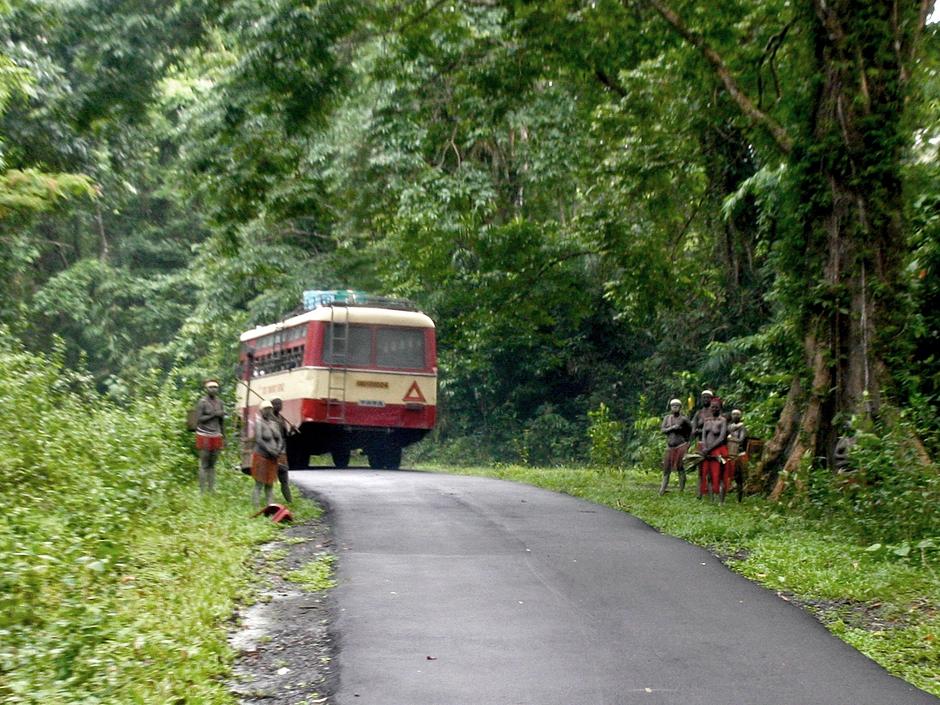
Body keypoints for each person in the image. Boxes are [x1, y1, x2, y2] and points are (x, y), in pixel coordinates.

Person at [251, 400, 283, 510]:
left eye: (269, 409)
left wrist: (278, 449)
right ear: (261, 411)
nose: (268, 411)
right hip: (262, 456)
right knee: (259, 483)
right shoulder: (259, 423)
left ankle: (270, 507)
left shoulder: (274, 424)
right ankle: (256, 507)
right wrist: (270, 450)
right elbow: (259, 440)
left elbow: (279, 439)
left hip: (273, 457)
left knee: (270, 484)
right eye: (265, 409)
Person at [195, 379, 225, 493]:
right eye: (211, 387)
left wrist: (224, 436)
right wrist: (214, 414)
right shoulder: (202, 402)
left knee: (212, 464)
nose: (213, 389)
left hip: (216, 435)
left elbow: (221, 421)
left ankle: (211, 489)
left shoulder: (220, 402)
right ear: (206, 389)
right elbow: (199, 419)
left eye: (215, 387)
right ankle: (202, 491)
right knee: (204, 464)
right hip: (204, 434)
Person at [660, 399, 691, 495]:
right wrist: (672, 428)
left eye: (677, 406)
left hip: (680, 445)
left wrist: (687, 442)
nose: (675, 407)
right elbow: (663, 430)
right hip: (670, 446)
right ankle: (662, 489)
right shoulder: (667, 418)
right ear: (670, 407)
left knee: (680, 467)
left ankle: (681, 490)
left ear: (680, 407)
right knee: (666, 468)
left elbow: (691, 430)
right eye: (673, 406)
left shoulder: (684, 419)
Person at [699, 396, 728, 501]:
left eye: (716, 407)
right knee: (708, 475)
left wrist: (710, 448)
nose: (714, 409)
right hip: (707, 451)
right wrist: (704, 447)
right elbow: (703, 435)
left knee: (719, 475)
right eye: (712, 407)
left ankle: (721, 499)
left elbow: (721, 437)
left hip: (718, 450)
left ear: (720, 408)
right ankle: (711, 498)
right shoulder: (706, 420)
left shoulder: (723, 420)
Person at [689, 389, 714, 498]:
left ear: (711, 399)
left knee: (711, 469)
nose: (705, 399)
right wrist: (704, 430)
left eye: (708, 397)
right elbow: (693, 431)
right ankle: (699, 492)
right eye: (704, 397)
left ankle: (710, 492)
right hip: (701, 444)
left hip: (713, 444)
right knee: (701, 469)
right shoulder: (698, 413)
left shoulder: (715, 411)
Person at [271, 398, 296, 503]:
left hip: (282, 452)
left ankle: (289, 501)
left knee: (284, 478)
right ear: (272, 406)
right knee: (269, 479)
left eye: (280, 404)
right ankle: (270, 501)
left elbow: (286, 436)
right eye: (276, 404)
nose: (279, 406)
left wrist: (291, 431)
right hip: (271, 451)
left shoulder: (281, 419)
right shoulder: (268, 419)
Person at [725, 409, 748, 503]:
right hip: (729, 453)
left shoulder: (742, 427)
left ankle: (739, 498)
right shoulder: (729, 426)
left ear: (740, 416)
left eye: (737, 414)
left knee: (739, 477)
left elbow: (741, 439)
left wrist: (731, 438)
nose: (735, 416)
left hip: (738, 454)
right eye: (734, 414)